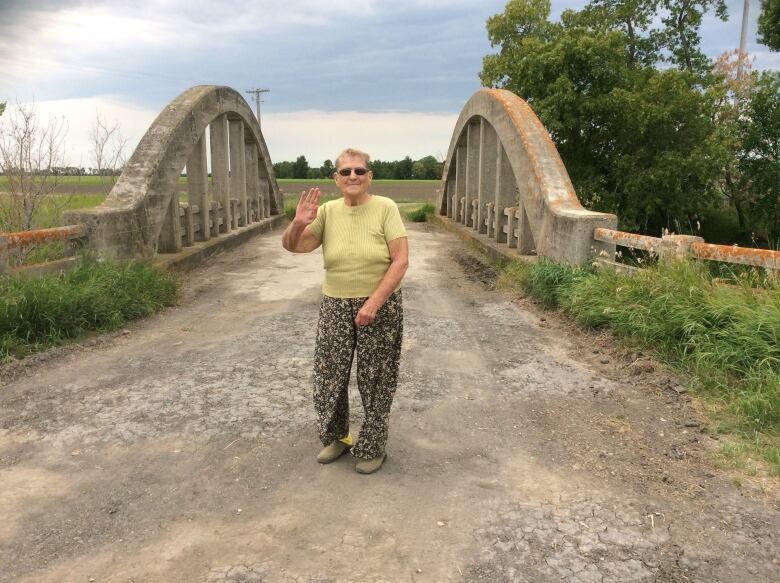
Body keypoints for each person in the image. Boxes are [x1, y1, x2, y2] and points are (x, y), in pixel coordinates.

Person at [281, 148, 409, 474]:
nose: (354, 176)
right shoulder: (327, 212)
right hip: (334, 303)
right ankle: (339, 437)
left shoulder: (385, 208)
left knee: (376, 378)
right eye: (346, 172)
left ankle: (372, 446)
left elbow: (400, 260)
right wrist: (297, 224)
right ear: (335, 179)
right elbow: (295, 246)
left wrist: (373, 303)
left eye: (360, 171)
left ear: (370, 177)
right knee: (329, 376)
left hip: (379, 304)